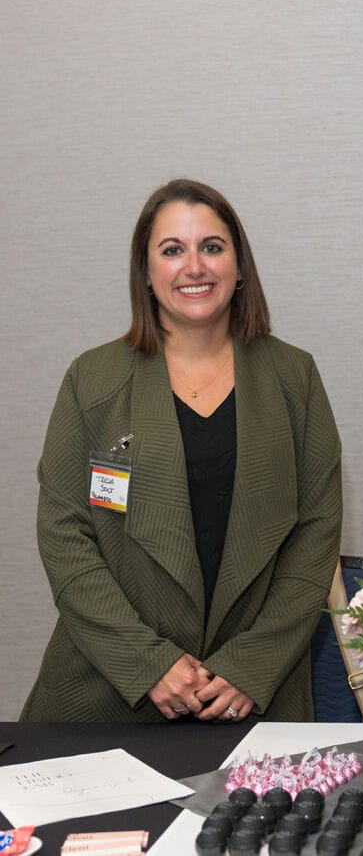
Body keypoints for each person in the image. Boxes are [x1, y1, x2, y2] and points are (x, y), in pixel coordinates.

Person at [21, 179, 343, 723]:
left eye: (212, 247)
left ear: (240, 268)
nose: (195, 267)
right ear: (146, 274)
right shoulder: (92, 379)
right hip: (108, 691)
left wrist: (251, 665)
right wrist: (147, 663)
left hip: (249, 697)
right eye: (172, 250)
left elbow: (316, 534)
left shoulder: (295, 377)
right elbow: (64, 535)